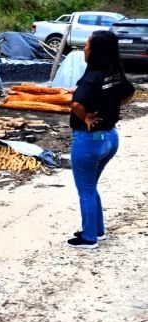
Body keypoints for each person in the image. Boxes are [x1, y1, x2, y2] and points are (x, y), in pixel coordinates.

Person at [67, 30, 135, 249]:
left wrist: (86, 116)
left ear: (95, 50)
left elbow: (76, 104)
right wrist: (110, 107)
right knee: (90, 186)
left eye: (87, 45)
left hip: (89, 141)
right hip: (110, 138)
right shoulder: (114, 72)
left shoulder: (92, 75)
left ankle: (89, 238)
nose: (84, 49)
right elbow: (129, 93)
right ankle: (97, 229)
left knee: (85, 190)